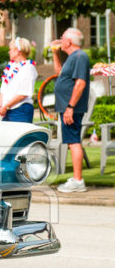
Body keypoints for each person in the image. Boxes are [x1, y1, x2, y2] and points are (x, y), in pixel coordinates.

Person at [51, 27, 91, 193]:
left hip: (71, 108)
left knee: (74, 142)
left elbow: (80, 83)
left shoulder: (80, 57)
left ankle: (78, 180)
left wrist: (70, 107)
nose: (60, 40)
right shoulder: (72, 57)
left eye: (62, 38)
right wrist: (54, 52)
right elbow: (59, 73)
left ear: (69, 41)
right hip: (67, 107)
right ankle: (76, 179)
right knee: (71, 141)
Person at [0, 37, 38, 123]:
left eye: (10, 49)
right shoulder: (10, 66)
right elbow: (4, 87)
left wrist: (5, 107)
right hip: (7, 109)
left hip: (20, 109)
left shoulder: (28, 68)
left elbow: (23, 93)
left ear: (18, 51)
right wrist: (0, 104)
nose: (9, 52)